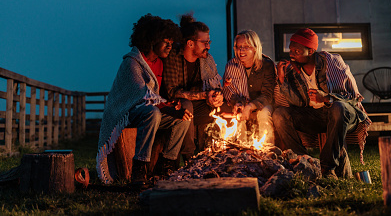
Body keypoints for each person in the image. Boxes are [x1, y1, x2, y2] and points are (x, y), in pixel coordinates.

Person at [96, 14, 192, 186]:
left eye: (171, 42)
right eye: (165, 41)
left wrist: (171, 107)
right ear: (151, 39)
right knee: (153, 113)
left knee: (183, 119)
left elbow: (153, 96)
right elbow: (143, 95)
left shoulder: (159, 63)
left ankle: (165, 165)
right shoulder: (132, 63)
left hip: (147, 111)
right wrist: (165, 107)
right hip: (126, 113)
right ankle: (139, 169)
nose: (170, 46)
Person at [272, 28, 371, 179]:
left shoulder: (331, 62)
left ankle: (327, 169)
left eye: (296, 51)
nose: (291, 54)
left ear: (310, 51)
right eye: (290, 50)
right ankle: (304, 162)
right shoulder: (293, 70)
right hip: (316, 117)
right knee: (279, 114)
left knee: (338, 108)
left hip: (344, 114)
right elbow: (298, 102)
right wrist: (282, 80)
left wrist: (326, 98)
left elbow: (351, 97)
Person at [161, 13, 223, 154]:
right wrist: (205, 94)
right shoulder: (174, 57)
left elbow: (214, 86)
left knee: (222, 108)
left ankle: (209, 152)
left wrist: (216, 96)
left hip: (198, 102)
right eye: (204, 42)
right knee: (186, 105)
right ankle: (189, 155)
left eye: (209, 42)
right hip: (173, 105)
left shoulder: (206, 60)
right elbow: (172, 92)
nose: (208, 46)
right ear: (190, 43)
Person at [222, 30, 276, 145]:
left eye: (246, 47)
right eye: (238, 47)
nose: (241, 50)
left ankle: (267, 150)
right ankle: (242, 152)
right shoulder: (232, 65)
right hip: (243, 102)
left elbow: (267, 95)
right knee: (238, 114)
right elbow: (229, 91)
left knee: (264, 114)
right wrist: (238, 103)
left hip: (262, 104)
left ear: (255, 48)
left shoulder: (266, 65)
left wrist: (251, 106)